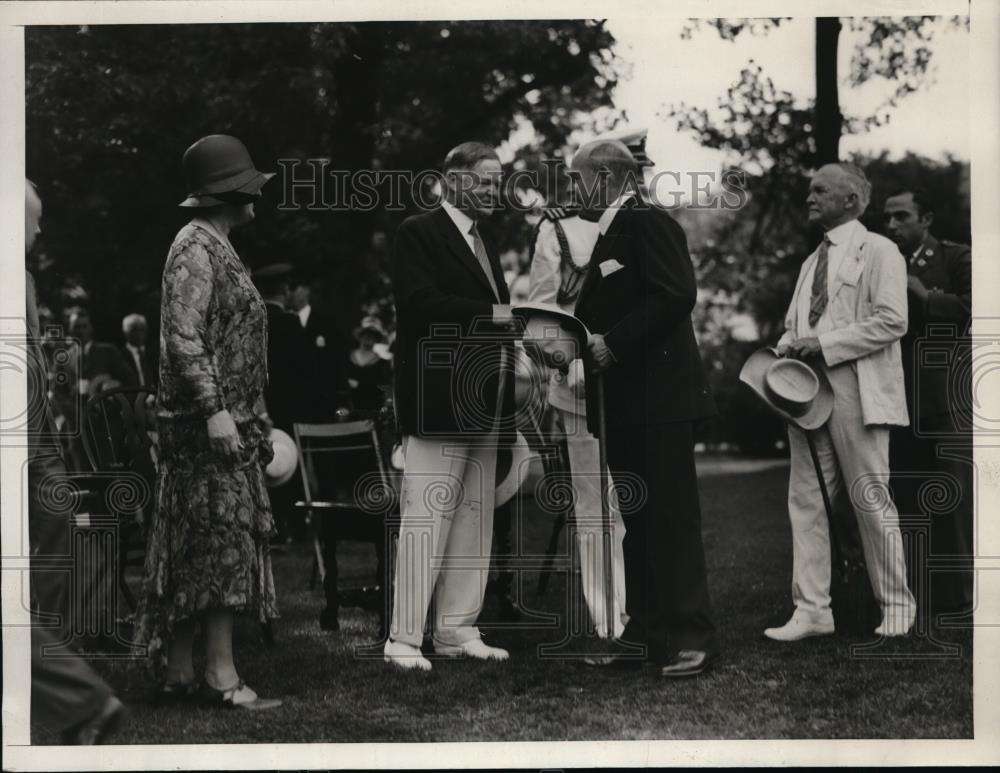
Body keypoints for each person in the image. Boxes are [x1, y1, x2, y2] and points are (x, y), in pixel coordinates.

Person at [133, 134, 281, 709]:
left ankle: (177, 672)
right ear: (229, 193)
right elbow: (182, 337)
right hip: (204, 426)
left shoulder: (213, 242)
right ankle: (221, 676)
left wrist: (253, 414)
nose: (257, 197)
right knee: (218, 546)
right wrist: (218, 412)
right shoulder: (194, 247)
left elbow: (233, 340)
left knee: (201, 546)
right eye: (249, 187)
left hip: (226, 421)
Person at [572, 139, 719, 677]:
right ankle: (647, 635)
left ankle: (692, 638)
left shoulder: (647, 221)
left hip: (659, 402)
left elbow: (676, 293)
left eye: (576, 178)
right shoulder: (615, 229)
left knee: (671, 520)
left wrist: (614, 343)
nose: (571, 189)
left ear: (606, 177)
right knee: (641, 519)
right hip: (631, 404)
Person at [766, 162, 917, 642]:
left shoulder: (880, 250)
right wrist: (785, 348)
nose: (810, 198)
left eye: (819, 191)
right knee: (806, 501)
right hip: (808, 393)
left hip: (859, 389)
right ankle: (812, 610)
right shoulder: (813, 261)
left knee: (870, 498)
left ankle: (896, 604)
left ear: (850, 200)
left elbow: (893, 321)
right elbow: (796, 325)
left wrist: (825, 346)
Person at [385, 141, 518, 670]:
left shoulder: (482, 242)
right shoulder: (417, 232)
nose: (494, 190)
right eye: (485, 180)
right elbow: (418, 306)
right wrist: (497, 314)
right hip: (439, 398)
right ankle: (404, 640)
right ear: (453, 178)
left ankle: (457, 630)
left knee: (473, 517)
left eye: (498, 180)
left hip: (484, 402)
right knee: (427, 518)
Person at [24, 179, 126, 744]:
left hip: (31, 435)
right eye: (34, 221)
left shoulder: (24, 278)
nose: (40, 232)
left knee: (58, 522)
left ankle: (71, 693)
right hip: (19, 433)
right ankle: (73, 695)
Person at [527, 171, 632, 642]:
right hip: (579, 387)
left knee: (641, 503)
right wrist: (565, 362)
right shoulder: (559, 230)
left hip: (639, 384)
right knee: (596, 511)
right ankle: (609, 617)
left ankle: (647, 609)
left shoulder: (646, 225)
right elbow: (541, 314)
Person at [883, 187, 973, 615]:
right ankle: (916, 593)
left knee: (952, 496)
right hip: (898, 399)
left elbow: (979, 310)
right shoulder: (883, 264)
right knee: (906, 494)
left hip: (945, 400)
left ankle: (961, 597)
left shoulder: (956, 258)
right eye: (888, 219)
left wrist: (923, 295)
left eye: (902, 217)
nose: (892, 226)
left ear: (927, 219)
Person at [253, 262, 310, 543]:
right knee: (287, 464)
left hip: (261, 402)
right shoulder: (289, 322)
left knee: (265, 464)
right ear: (285, 290)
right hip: (289, 405)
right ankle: (293, 525)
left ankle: (270, 524)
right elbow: (304, 367)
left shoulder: (254, 320)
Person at [347, 316, 394, 412]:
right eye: (365, 335)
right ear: (359, 337)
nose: (367, 339)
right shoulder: (348, 357)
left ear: (376, 339)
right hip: (349, 405)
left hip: (372, 406)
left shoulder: (381, 361)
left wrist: (360, 384)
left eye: (372, 336)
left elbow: (384, 385)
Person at [121, 313, 157, 387]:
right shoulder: (119, 356)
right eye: (134, 330)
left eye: (142, 330)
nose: (139, 334)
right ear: (125, 333)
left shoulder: (154, 354)